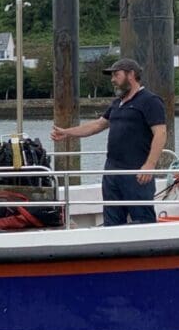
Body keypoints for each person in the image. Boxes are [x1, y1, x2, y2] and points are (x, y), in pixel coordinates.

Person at [50, 57, 167, 225]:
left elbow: (161, 133)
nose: (113, 80)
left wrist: (149, 165)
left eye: (116, 75)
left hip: (135, 171)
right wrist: (67, 133)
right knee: (112, 218)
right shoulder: (117, 103)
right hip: (112, 171)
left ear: (131, 75)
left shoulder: (150, 101)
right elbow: (98, 124)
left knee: (143, 218)